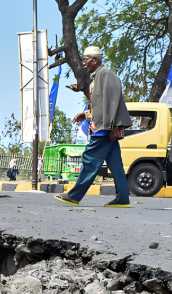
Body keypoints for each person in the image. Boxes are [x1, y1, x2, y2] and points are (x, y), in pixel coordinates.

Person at [55, 46, 133, 208]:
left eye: (86, 59)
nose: (83, 63)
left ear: (95, 60)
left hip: (104, 129)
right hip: (103, 126)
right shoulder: (97, 76)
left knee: (90, 160)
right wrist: (86, 114)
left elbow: (114, 101)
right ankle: (123, 198)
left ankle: (74, 196)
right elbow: (99, 105)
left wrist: (115, 126)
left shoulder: (106, 75)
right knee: (116, 165)